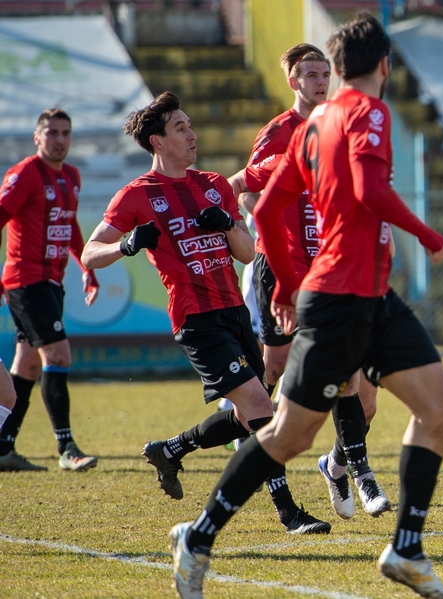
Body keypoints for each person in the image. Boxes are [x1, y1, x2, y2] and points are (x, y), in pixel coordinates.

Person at [167, 14, 443, 599]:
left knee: (440, 407)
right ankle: (197, 537)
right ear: (384, 66)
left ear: (339, 68)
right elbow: (372, 192)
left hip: (370, 296)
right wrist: (427, 236)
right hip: (342, 300)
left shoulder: (311, 128)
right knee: (289, 433)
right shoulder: (367, 113)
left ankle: (406, 549)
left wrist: (282, 285)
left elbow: (268, 207)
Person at [80, 91, 329, 535]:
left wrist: (229, 225)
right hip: (195, 318)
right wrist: (126, 244)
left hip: (234, 310)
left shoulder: (213, 184)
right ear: (157, 142)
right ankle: (288, 512)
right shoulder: (137, 195)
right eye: (181, 129)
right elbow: (90, 251)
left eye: (191, 126)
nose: (192, 135)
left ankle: (170, 449)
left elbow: (248, 253)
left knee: (248, 413)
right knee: (259, 407)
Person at [227, 43, 389, 520]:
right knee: (271, 372)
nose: (320, 81)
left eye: (325, 73)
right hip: (280, 271)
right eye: (310, 74)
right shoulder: (278, 132)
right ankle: (239, 438)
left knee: (355, 382)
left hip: (332, 272)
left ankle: (353, 471)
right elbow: (243, 187)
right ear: (293, 81)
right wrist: (265, 230)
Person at [0, 108, 100, 473]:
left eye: (65, 133)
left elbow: (68, 224)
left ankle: (3, 446)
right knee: (57, 356)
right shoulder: (25, 174)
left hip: (50, 283)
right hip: (26, 281)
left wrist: (86, 267)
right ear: (37, 137)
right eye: (52, 133)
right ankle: (67, 447)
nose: (59, 140)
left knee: (26, 366)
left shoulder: (71, 176)